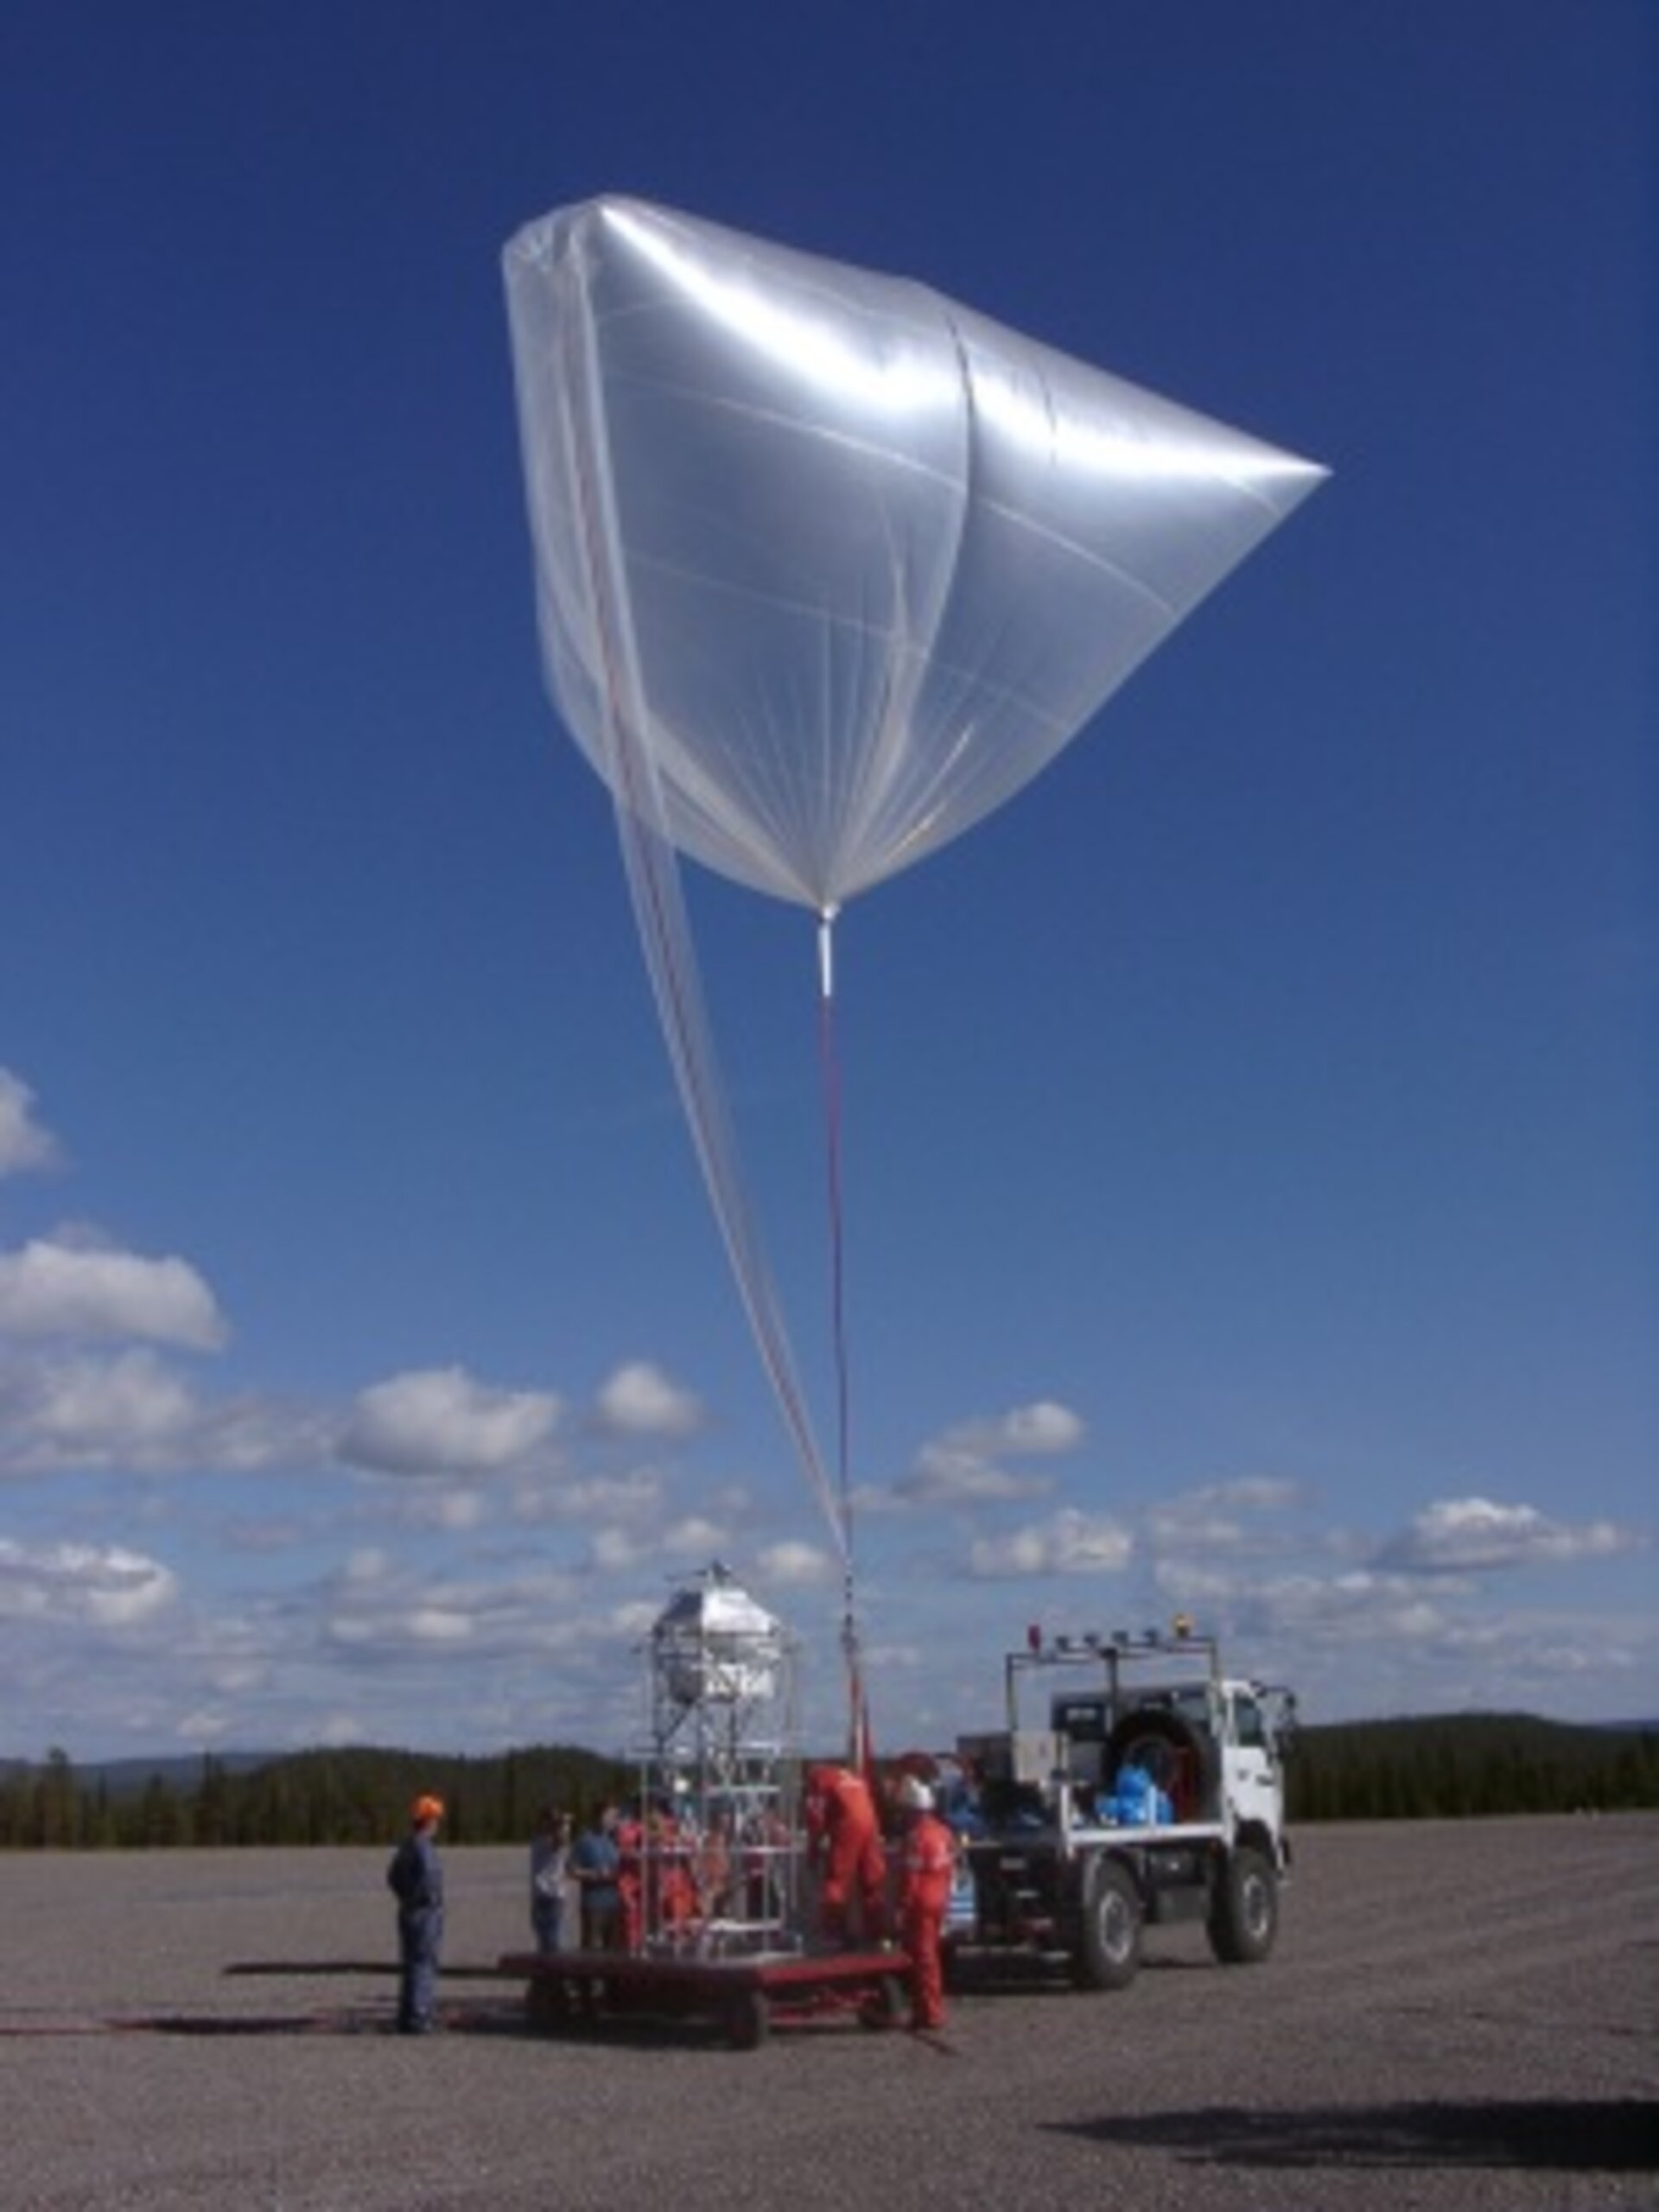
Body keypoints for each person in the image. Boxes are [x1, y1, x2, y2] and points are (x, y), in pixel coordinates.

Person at [894, 1774, 954, 2033]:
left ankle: (930, 2013)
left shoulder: (915, 1839)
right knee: (931, 1958)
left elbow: (911, 1877)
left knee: (924, 1960)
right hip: (939, 1900)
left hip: (921, 1905)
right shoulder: (943, 1832)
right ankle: (928, 2008)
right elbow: (950, 1867)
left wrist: (901, 1907)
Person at [805, 1762, 887, 1946]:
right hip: (870, 1822)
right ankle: (877, 1932)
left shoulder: (819, 1779)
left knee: (836, 1878)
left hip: (849, 1824)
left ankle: (833, 1932)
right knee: (872, 1878)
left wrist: (814, 1845)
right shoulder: (851, 1777)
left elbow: (815, 1814)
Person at [386, 1792, 445, 2034]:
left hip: (409, 1912)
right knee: (423, 1963)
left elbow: (392, 1877)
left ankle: (408, 2014)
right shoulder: (424, 1848)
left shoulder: (406, 1845)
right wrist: (423, 1899)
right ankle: (419, 2017)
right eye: (436, 1819)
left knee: (411, 1964)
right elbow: (430, 1881)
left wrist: (405, 1897)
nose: (438, 1824)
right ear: (429, 1820)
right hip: (425, 1912)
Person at [569, 1801, 624, 1952]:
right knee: (591, 1947)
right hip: (594, 1904)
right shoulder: (585, 1841)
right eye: (610, 1816)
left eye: (616, 1817)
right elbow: (571, 1870)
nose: (614, 1820)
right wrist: (594, 1874)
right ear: (599, 1816)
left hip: (614, 1903)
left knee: (614, 1949)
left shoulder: (616, 1840)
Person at [529, 1805, 572, 1955]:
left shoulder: (555, 1839)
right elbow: (556, 1841)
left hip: (554, 1895)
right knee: (543, 1937)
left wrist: (564, 1825)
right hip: (540, 1894)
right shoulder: (539, 1839)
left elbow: (561, 1842)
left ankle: (553, 1970)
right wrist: (563, 1823)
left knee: (553, 1938)